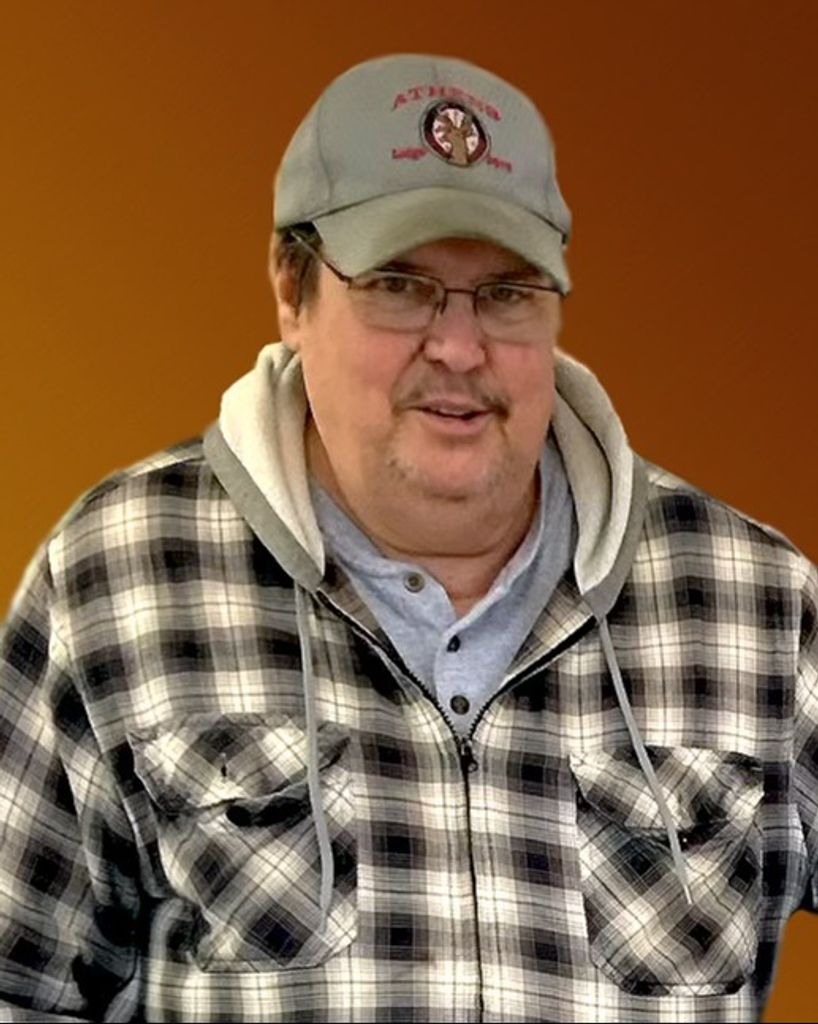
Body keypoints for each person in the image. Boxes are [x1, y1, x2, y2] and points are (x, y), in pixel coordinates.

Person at [0, 51, 815, 1023]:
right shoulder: (115, 575)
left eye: (506, 292)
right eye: (399, 285)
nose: (459, 348)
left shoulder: (755, 598)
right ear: (291, 291)